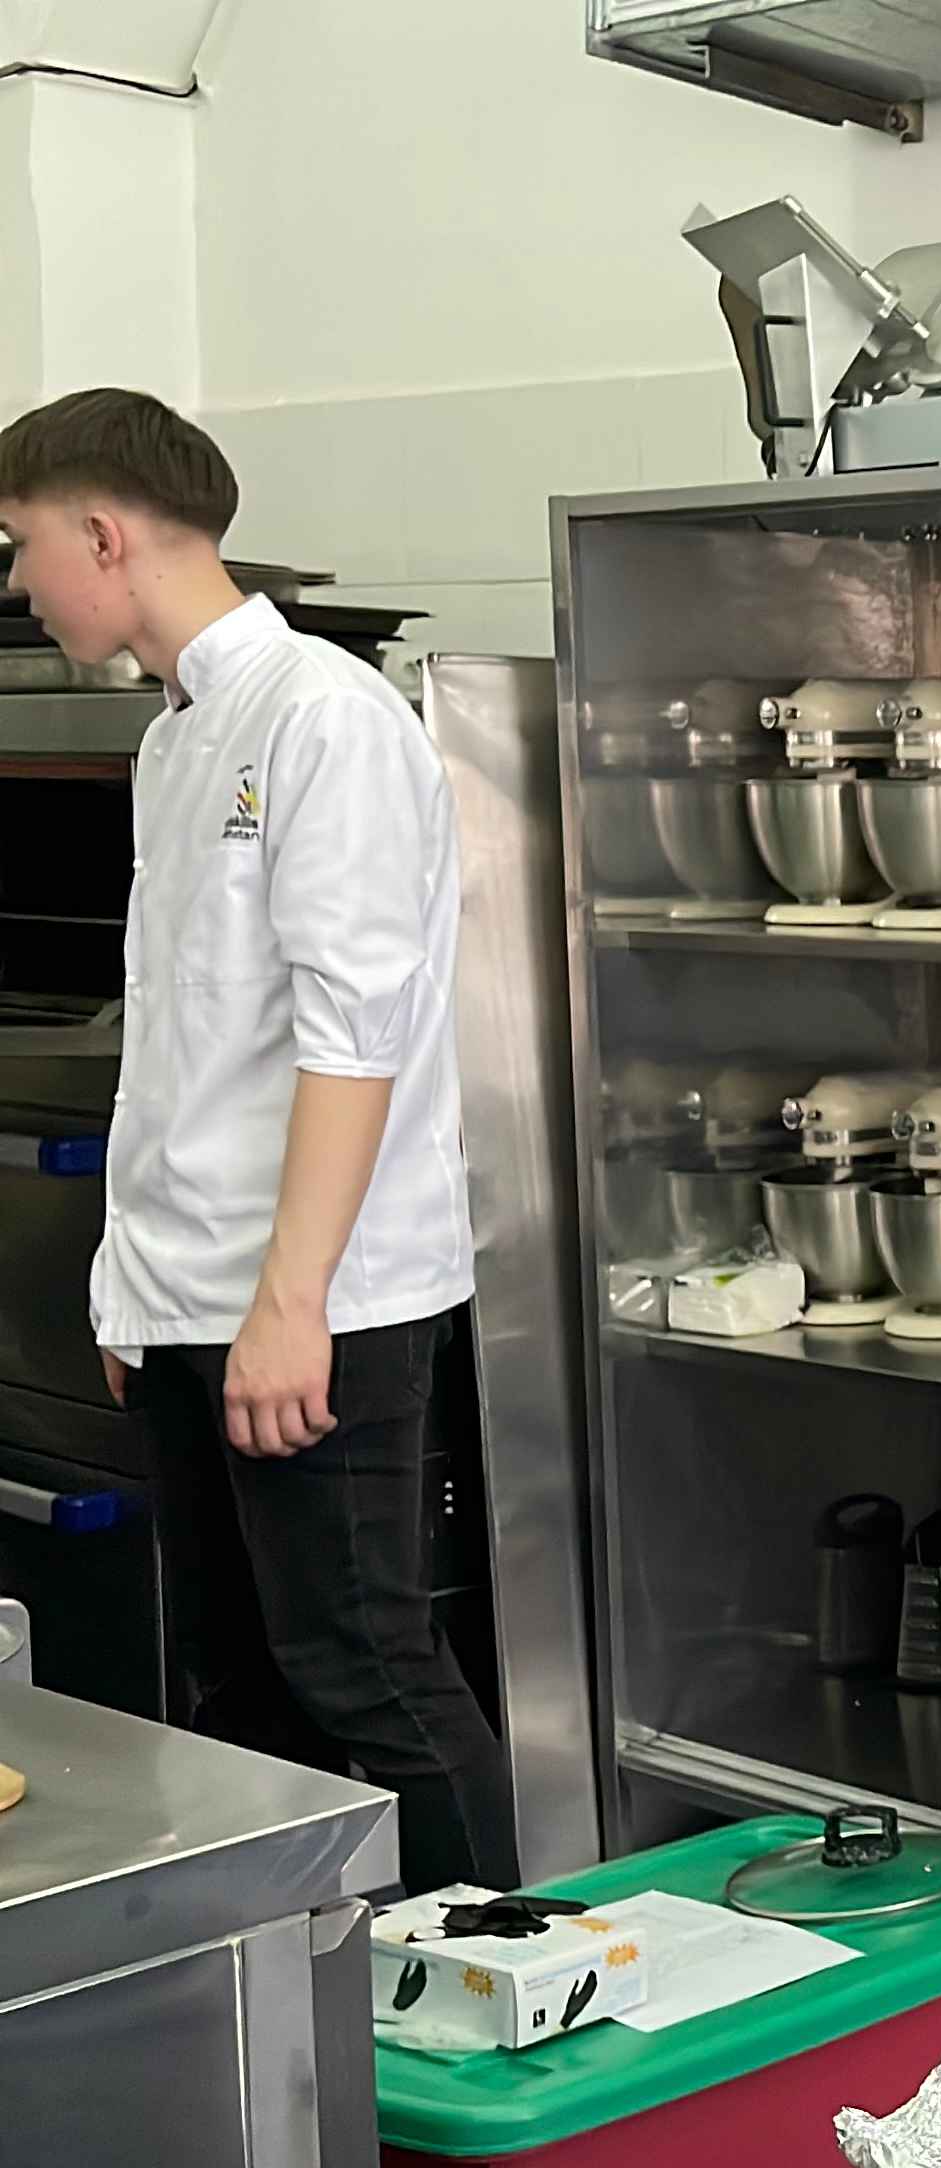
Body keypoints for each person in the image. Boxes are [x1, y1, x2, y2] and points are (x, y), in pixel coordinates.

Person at [0, 388, 508, 1891]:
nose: (21, 583)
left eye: (24, 544)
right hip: (192, 1297)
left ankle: (513, 1974)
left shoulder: (323, 720)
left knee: (366, 1667)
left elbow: (354, 1037)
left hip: (318, 1300)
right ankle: (320, 1995)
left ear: (105, 533)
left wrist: (290, 1304)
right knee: (235, 1683)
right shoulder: (176, 742)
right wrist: (136, 1291)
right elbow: (187, 1046)